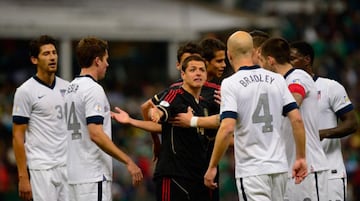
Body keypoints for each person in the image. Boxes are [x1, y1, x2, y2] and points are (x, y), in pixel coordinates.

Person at [204, 31, 308, 201]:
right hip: (279, 168)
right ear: (254, 52)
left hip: (252, 170)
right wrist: (301, 157)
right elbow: (296, 119)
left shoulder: (230, 83)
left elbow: (227, 127)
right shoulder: (277, 79)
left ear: (229, 55)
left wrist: (212, 166)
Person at [64, 37, 143, 201]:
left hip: (73, 174)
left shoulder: (69, 88)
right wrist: (128, 161)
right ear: (97, 61)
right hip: (92, 175)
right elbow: (96, 134)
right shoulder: (93, 89)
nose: (107, 64)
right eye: (106, 59)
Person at [259, 37, 329, 201]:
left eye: (261, 61)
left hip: (311, 167)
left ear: (270, 60)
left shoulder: (298, 76)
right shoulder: (280, 82)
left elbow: (295, 98)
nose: (261, 67)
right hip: (292, 167)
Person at [290, 40, 358, 201]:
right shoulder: (284, 90)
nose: (289, 64)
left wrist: (322, 133)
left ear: (307, 60)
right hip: (299, 173)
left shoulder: (330, 87)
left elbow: (352, 123)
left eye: (292, 58)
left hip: (330, 171)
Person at [12, 35, 69, 201]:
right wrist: (23, 177)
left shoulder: (68, 87)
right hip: (41, 168)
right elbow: (17, 136)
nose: (52, 57)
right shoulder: (25, 91)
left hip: (67, 166)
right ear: (34, 59)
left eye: (54, 52)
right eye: (46, 54)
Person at [140, 41, 204, 162]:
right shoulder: (175, 90)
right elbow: (147, 108)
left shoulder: (213, 91)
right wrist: (156, 139)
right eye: (187, 63)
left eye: (197, 63)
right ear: (179, 66)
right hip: (176, 165)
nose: (194, 68)